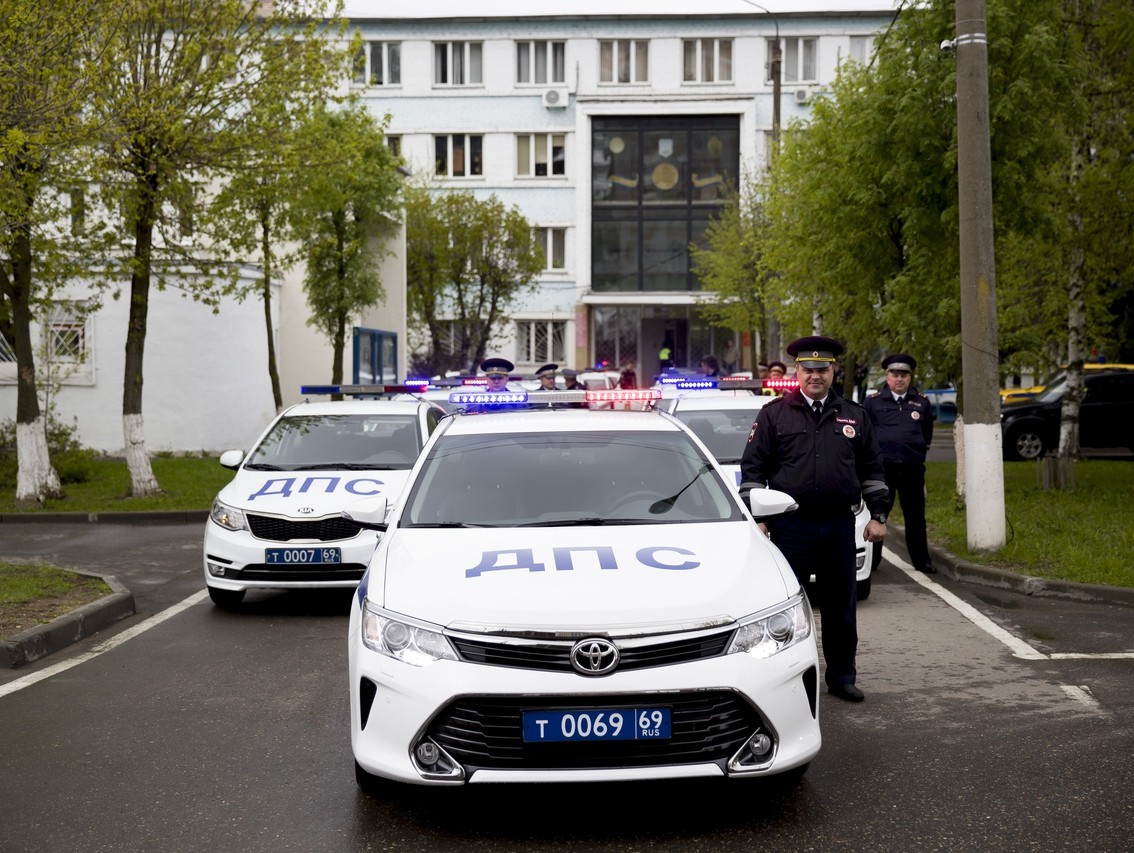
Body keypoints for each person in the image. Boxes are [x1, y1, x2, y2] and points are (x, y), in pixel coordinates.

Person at [739, 335, 889, 703]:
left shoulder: (855, 415)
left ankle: (841, 678)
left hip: (839, 526)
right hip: (790, 527)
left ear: (833, 371)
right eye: (808, 370)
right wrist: (758, 518)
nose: (815, 376)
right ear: (797, 371)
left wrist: (879, 515)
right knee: (783, 609)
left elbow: (872, 469)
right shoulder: (774, 414)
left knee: (841, 609)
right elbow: (753, 469)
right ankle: (782, 683)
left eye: (822, 369)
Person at [864, 353, 936, 574]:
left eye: (904, 374)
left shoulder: (921, 403)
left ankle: (921, 560)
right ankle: (872, 562)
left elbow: (926, 434)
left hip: (911, 468)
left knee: (915, 516)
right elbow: (865, 434)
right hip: (882, 470)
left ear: (910, 377)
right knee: (877, 514)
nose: (899, 379)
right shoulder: (873, 402)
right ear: (887, 377)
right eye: (895, 374)